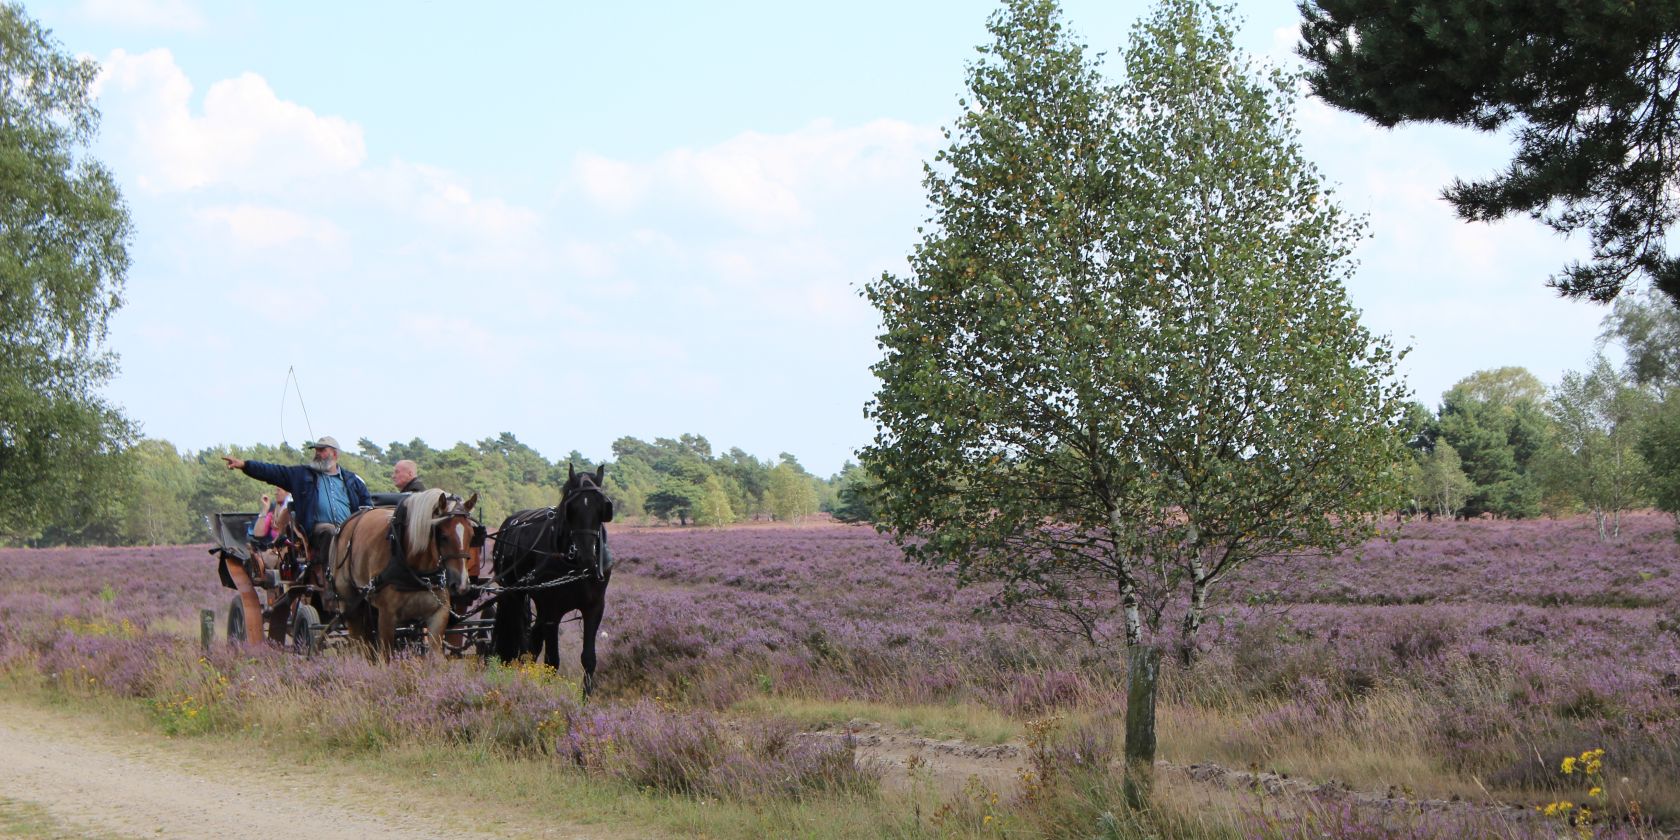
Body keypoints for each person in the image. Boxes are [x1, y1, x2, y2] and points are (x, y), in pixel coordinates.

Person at [222, 436, 371, 563]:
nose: (317, 454)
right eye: (316, 450)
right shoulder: (301, 476)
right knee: (329, 531)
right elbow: (271, 472)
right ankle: (330, 578)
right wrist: (245, 465)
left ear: (335, 454)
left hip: (350, 529)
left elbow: (367, 506)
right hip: (318, 531)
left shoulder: (352, 480)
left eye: (322, 450)